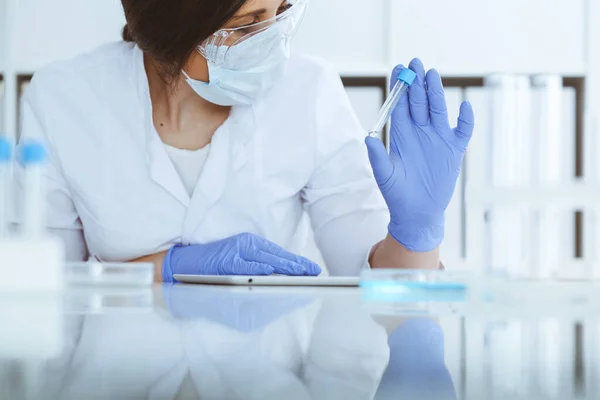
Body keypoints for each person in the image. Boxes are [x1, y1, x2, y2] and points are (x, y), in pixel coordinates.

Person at [14, 0, 474, 281]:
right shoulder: (65, 97)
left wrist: (415, 235)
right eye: (249, 23)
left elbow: (375, 284)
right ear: (175, 22)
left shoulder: (308, 91)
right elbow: (43, 290)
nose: (270, 42)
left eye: (278, 14)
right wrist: (169, 269)